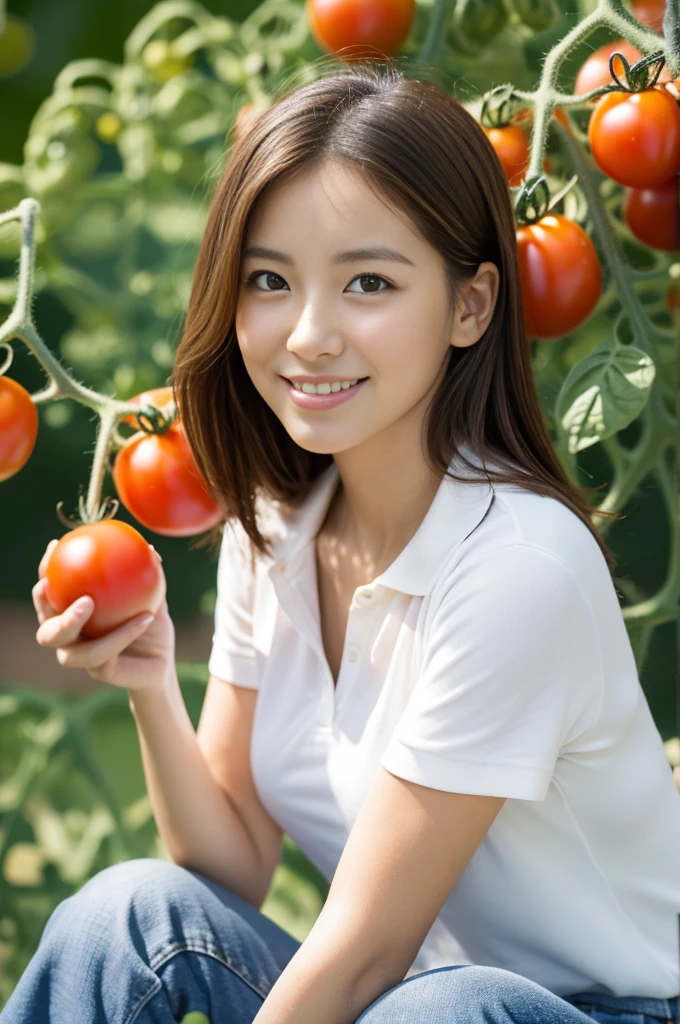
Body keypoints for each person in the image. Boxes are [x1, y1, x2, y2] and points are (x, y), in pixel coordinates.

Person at [3, 61, 679, 1024]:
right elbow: (229, 861)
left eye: (368, 281)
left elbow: (363, 957)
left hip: (597, 1012)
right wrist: (153, 684)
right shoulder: (275, 526)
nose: (308, 335)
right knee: (129, 913)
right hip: (402, 1006)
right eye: (269, 281)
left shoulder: (517, 567)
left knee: (445, 1008)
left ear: (470, 306)